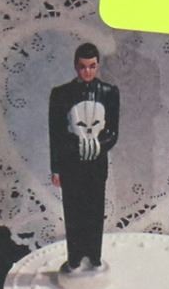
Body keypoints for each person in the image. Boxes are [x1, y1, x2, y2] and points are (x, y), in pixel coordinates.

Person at [48, 42, 120, 276]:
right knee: (73, 211)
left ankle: (94, 255)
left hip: (97, 165)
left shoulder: (109, 92)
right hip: (71, 164)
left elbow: (113, 131)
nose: (87, 71)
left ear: (97, 66)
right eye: (82, 66)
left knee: (95, 210)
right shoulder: (60, 94)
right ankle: (75, 257)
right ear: (75, 66)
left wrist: (99, 144)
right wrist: (56, 168)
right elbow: (56, 134)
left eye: (92, 66)